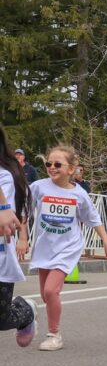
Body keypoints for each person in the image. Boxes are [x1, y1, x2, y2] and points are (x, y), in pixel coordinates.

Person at [28, 145, 107, 351]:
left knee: (51, 291)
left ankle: (54, 335)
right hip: (45, 247)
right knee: (45, 296)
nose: (52, 167)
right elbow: (24, 210)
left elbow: (93, 219)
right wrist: (22, 236)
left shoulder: (80, 194)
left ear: (71, 169)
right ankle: (30, 314)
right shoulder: (39, 187)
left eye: (58, 164)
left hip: (68, 247)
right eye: (49, 163)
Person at [0, 130, 36, 346]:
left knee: (3, 320)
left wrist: (23, 237)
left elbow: (7, 222)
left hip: (1, 259)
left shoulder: (5, 176)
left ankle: (26, 310)